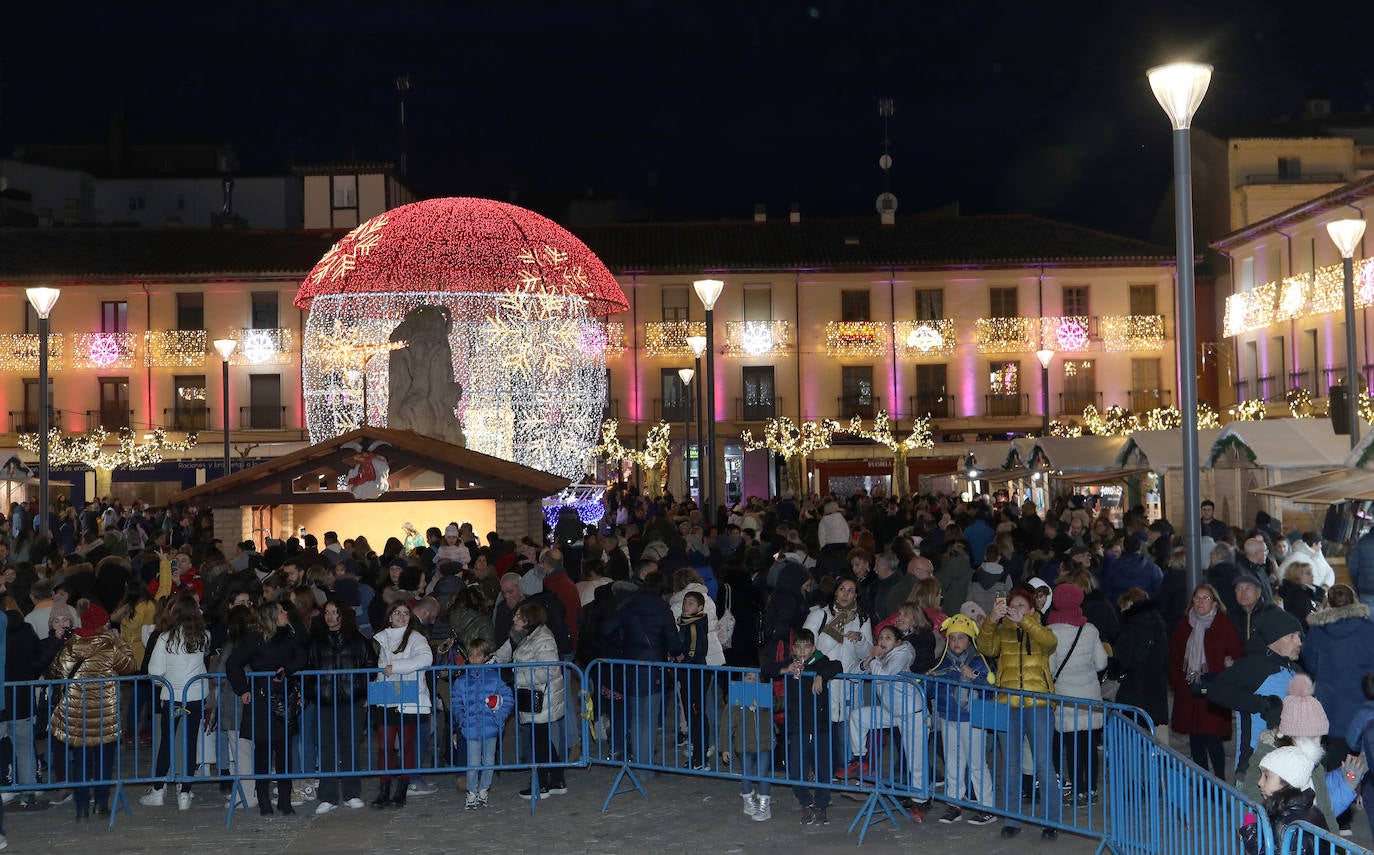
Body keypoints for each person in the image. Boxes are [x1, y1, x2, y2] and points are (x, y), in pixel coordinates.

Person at [977, 586, 1062, 840]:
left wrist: (1024, 621)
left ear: (1032, 610)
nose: (1014, 610)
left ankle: (1051, 820)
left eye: (1021, 606)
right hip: (1008, 703)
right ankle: (1012, 819)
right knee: (1011, 764)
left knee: (1044, 765)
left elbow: (1051, 643)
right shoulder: (1002, 632)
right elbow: (985, 647)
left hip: (1038, 703)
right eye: (1011, 606)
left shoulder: (1039, 630)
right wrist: (992, 619)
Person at [48, 600, 136, 820]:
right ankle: (101, 804)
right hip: (105, 714)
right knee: (104, 760)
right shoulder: (109, 646)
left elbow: (57, 671)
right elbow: (129, 667)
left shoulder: (72, 645)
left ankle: (81, 807)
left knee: (81, 760)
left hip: (77, 714)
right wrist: (121, 642)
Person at [226, 600, 306, 817]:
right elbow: (233, 663)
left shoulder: (290, 635)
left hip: (283, 700)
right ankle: (263, 800)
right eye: (280, 611)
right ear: (272, 616)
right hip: (261, 702)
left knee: (284, 753)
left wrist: (287, 670)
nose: (285, 613)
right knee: (262, 753)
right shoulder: (255, 639)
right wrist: (242, 689)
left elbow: (302, 657)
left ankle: (284, 799)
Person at [1205, 608, 1304, 780]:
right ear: (1274, 640)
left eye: (1299, 636)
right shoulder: (1254, 667)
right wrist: (1261, 704)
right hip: (1253, 768)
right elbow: (1215, 690)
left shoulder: (1296, 670)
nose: (1299, 642)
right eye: (1291, 636)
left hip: (1291, 765)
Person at [764, 628, 842, 827]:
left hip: (820, 726)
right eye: (798, 646)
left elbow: (836, 665)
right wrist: (785, 670)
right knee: (797, 770)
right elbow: (766, 669)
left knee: (823, 768)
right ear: (793, 648)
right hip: (797, 727)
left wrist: (820, 676)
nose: (802, 651)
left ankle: (822, 804)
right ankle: (806, 802)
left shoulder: (821, 661)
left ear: (813, 647)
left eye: (806, 646)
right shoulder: (791, 663)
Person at [926, 613, 998, 826]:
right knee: (953, 762)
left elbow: (991, 686)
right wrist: (929, 679)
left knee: (976, 763)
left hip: (972, 718)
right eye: (953, 638)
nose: (956, 642)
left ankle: (987, 806)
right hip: (948, 717)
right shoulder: (942, 662)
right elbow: (931, 690)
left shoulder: (979, 660)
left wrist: (975, 676)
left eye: (961, 637)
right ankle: (954, 804)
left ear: (970, 640)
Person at [140, 593, 209, 811]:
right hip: (195, 696)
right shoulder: (204, 636)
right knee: (190, 743)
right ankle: (185, 793)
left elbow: (154, 671)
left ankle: (158, 789)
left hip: (172, 698)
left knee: (167, 743)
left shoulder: (165, 638)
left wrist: (168, 682)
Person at [492, 601, 567, 798]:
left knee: (538, 740)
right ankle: (557, 779)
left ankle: (541, 783)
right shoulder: (521, 636)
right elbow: (502, 654)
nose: (514, 618)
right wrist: (487, 663)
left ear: (528, 619)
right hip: (531, 696)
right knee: (540, 738)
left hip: (542, 696)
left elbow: (549, 670)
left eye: (518, 616)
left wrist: (516, 677)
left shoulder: (543, 638)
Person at [307, 598, 375, 814]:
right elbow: (307, 669)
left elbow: (371, 666)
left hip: (350, 700)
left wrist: (357, 687)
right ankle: (327, 796)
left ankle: (351, 792)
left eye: (335, 612)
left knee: (351, 745)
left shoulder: (358, 640)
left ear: (343, 615)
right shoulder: (316, 641)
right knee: (326, 747)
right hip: (325, 701)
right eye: (327, 612)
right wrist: (315, 690)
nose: (330, 616)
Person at [1046, 582, 1108, 802]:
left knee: (1072, 747)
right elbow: (1101, 663)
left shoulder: (1051, 632)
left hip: (1066, 699)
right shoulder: (1089, 629)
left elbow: (1051, 669)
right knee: (1090, 746)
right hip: (1090, 696)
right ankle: (1092, 790)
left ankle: (1078, 790)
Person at [368, 600, 434, 809]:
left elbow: (425, 659)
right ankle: (384, 790)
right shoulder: (382, 638)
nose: (402, 616)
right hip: (387, 696)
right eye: (397, 612)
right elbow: (380, 668)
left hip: (408, 698)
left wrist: (395, 667)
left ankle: (401, 790)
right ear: (390, 616)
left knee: (406, 746)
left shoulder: (416, 637)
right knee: (384, 747)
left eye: (406, 613)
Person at [450, 638, 513, 809]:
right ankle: (472, 791)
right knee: (473, 762)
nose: (475, 659)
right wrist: (462, 720)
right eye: (471, 655)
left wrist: (499, 717)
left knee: (489, 760)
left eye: (478, 656)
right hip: (470, 728)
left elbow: (508, 698)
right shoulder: (462, 681)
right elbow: (456, 703)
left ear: (485, 657)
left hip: (491, 726)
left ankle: (484, 788)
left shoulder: (494, 678)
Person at [1109, 588, 1170, 739]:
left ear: (1129, 603)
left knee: (1131, 732)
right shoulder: (1159, 623)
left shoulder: (1131, 627)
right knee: (1155, 732)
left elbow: (1123, 659)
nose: (1121, 611)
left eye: (1122, 607)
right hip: (1156, 685)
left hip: (1133, 687)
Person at [725, 670, 775, 822]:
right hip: (744, 743)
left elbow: (779, 704)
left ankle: (765, 805)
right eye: (749, 677)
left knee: (762, 772)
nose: (752, 681)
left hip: (764, 742)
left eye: (756, 678)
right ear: (742, 680)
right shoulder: (735, 698)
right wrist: (725, 747)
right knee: (746, 772)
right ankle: (748, 801)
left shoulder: (765, 695)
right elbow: (727, 725)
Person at [675, 590, 710, 769]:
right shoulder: (685, 624)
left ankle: (700, 758)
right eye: (685, 602)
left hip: (695, 675)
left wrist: (681, 657)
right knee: (691, 715)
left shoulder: (695, 626)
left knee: (696, 716)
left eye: (690, 603)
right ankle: (698, 753)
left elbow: (696, 651)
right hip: (687, 674)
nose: (685, 606)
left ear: (700, 608)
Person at [1276, 561, 1322, 630]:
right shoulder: (1297, 594)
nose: (1312, 575)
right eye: (1308, 573)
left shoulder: (1308, 589)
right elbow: (1305, 619)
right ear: (1297, 576)